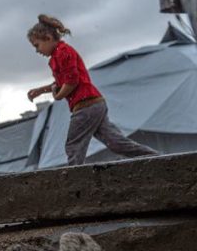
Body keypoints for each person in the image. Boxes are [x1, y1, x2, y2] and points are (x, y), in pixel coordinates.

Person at [26, 14, 159, 166]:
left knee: (73, 145)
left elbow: (71, 82)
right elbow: (61, 82)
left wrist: (58, 96)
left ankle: (76, 180)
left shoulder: (63, 52)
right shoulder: (58, 55)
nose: (37, 51)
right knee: (116, 143)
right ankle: (156, 158)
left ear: (48, 38)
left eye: (37, 45)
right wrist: (41, 91)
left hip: (86, 106)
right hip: (95, 104)